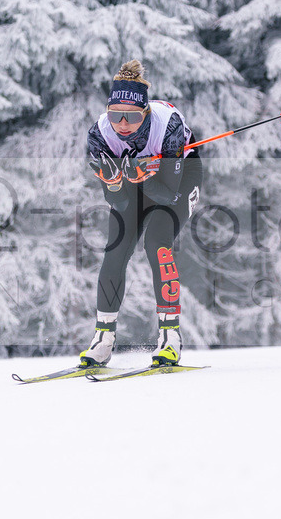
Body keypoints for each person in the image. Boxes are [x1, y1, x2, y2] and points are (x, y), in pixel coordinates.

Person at [79, 59, 202, 369]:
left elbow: (167, 193)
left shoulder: (168, 124)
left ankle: (170, 338)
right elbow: (118, 202)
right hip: (138, 179)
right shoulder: (99, 134)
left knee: (157, 243)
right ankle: (103, 340)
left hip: (178, 177)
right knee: (115, 248)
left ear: (145, 114)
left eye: (131, 117)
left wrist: (143, 174)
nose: (122, 124)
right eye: (115, 115)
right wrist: (117, 180)